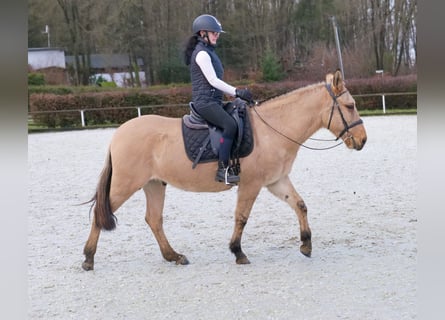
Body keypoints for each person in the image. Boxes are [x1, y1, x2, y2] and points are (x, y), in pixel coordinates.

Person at [184, 14, 254, 185]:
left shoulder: (209, 52)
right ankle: (223, 169)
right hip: (205, 103)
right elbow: (213, 81)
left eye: (218, 33)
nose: (217, 35)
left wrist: (237, 96)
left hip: (213, 101)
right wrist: (237, 91)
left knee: (239, 112)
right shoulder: (201, 54)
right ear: (203, 33)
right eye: (214, 32)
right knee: (229, 125)